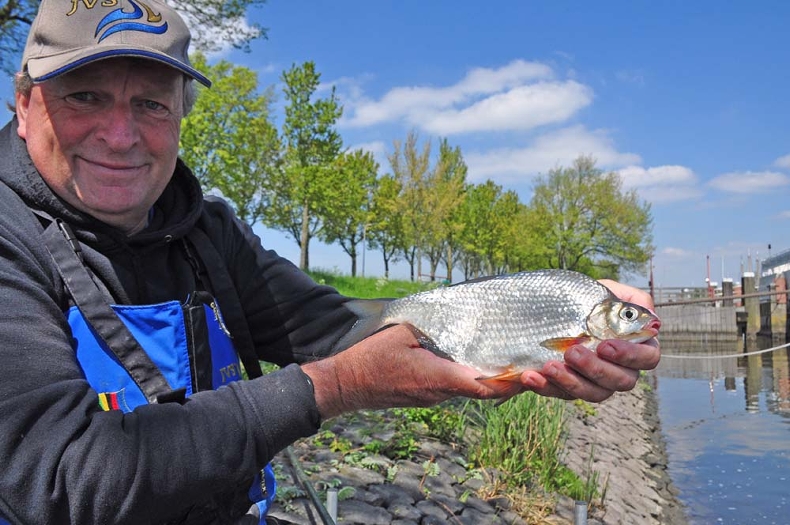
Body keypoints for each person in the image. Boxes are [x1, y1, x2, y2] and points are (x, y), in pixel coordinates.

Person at [0, 1, 661, 523]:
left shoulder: (204, 232)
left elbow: (341, 325)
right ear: (23, 104)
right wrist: (331, 387)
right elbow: (62, 481)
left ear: (179, 117)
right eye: (84, 96)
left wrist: (539, 303)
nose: (121, 135)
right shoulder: (10, 239)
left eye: (150, 103)